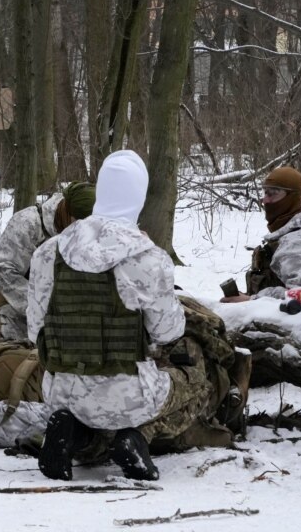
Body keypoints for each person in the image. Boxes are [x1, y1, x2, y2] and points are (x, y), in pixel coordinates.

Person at [27, 150, 219, 481]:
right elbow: (168, 332)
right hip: (129, 397)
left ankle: (74, 435)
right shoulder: (148, 256)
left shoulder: (49, 251)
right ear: (139, 196)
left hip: (60, 391)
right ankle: (136, 438)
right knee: (196, 381)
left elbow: (34, 332)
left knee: (91, 409)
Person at [220, 166, 301, 303]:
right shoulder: (298, 233)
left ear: (292, 198)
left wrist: (252, 299)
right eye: (265, 193)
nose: (265, 200)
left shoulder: (300, 240)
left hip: (297, 324)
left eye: (273, 194)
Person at [0, 182, 96, 342]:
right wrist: (41, 307)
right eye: (78, 224)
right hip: (16, 319)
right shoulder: (28, 223)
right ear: (68, 213)